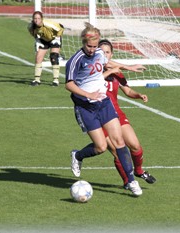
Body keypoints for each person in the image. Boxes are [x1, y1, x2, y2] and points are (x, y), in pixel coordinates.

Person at [65, 22, 146, 196]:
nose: (92, 50)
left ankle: (131, 181)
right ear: (83, 42)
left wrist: (128, 67)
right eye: (89, 46)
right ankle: (78, 156)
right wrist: (88, 94)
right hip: (85, 107)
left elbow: (109, 62)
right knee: (101, 147)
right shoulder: (75, 60)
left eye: (95, 46)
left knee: (119, 143)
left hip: (104, 104)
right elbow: (69, 85)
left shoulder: (100, 52)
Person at [98, 39, 157, 188]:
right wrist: (120, 68)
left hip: (117, 114)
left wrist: (139, 95)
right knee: (118, 151)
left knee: (135, 146)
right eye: (101, 52)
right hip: (99, 117)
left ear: (111, 54)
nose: (104, 55)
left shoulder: (117, 73)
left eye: (107, 52)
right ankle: (128, 182)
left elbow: (127, 90)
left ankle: (138, 171)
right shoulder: (94, 70)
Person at [27, 11, 64, 86]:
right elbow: (33, 34)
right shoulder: (31, 27)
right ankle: (37, 80)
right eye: (35, 18)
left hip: (54, 38)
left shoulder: (48, 24)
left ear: (42, 19)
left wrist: (57, 37)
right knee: (38, 58)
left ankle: (55, 80)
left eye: (38, 18)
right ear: (33, 19)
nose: (37, 20)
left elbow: (61, 27)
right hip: (43, 40)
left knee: (53, 57)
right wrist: (37, 40)